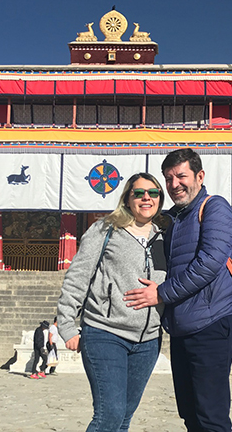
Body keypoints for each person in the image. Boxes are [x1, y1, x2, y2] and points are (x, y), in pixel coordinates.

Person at [124, 148, 232, 432]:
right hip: (182, 326)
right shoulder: (177, 218)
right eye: (169, 178)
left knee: (210, 416)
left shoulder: (214, 207)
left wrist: (161, 293)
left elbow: (209, 263)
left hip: (211, 324)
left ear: (199, 176)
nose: (174, 184)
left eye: (181, 176)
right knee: (190, 414)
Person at [58, 172, 167, 432]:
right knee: (109, 415)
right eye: (138, 193)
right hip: (106, 332)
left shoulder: (165, 236)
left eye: (153, 193)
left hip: (148, 340)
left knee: (124, 418)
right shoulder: (105, 228)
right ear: (127, 198)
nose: (146, 198)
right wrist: (67, 325)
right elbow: (78, 276)